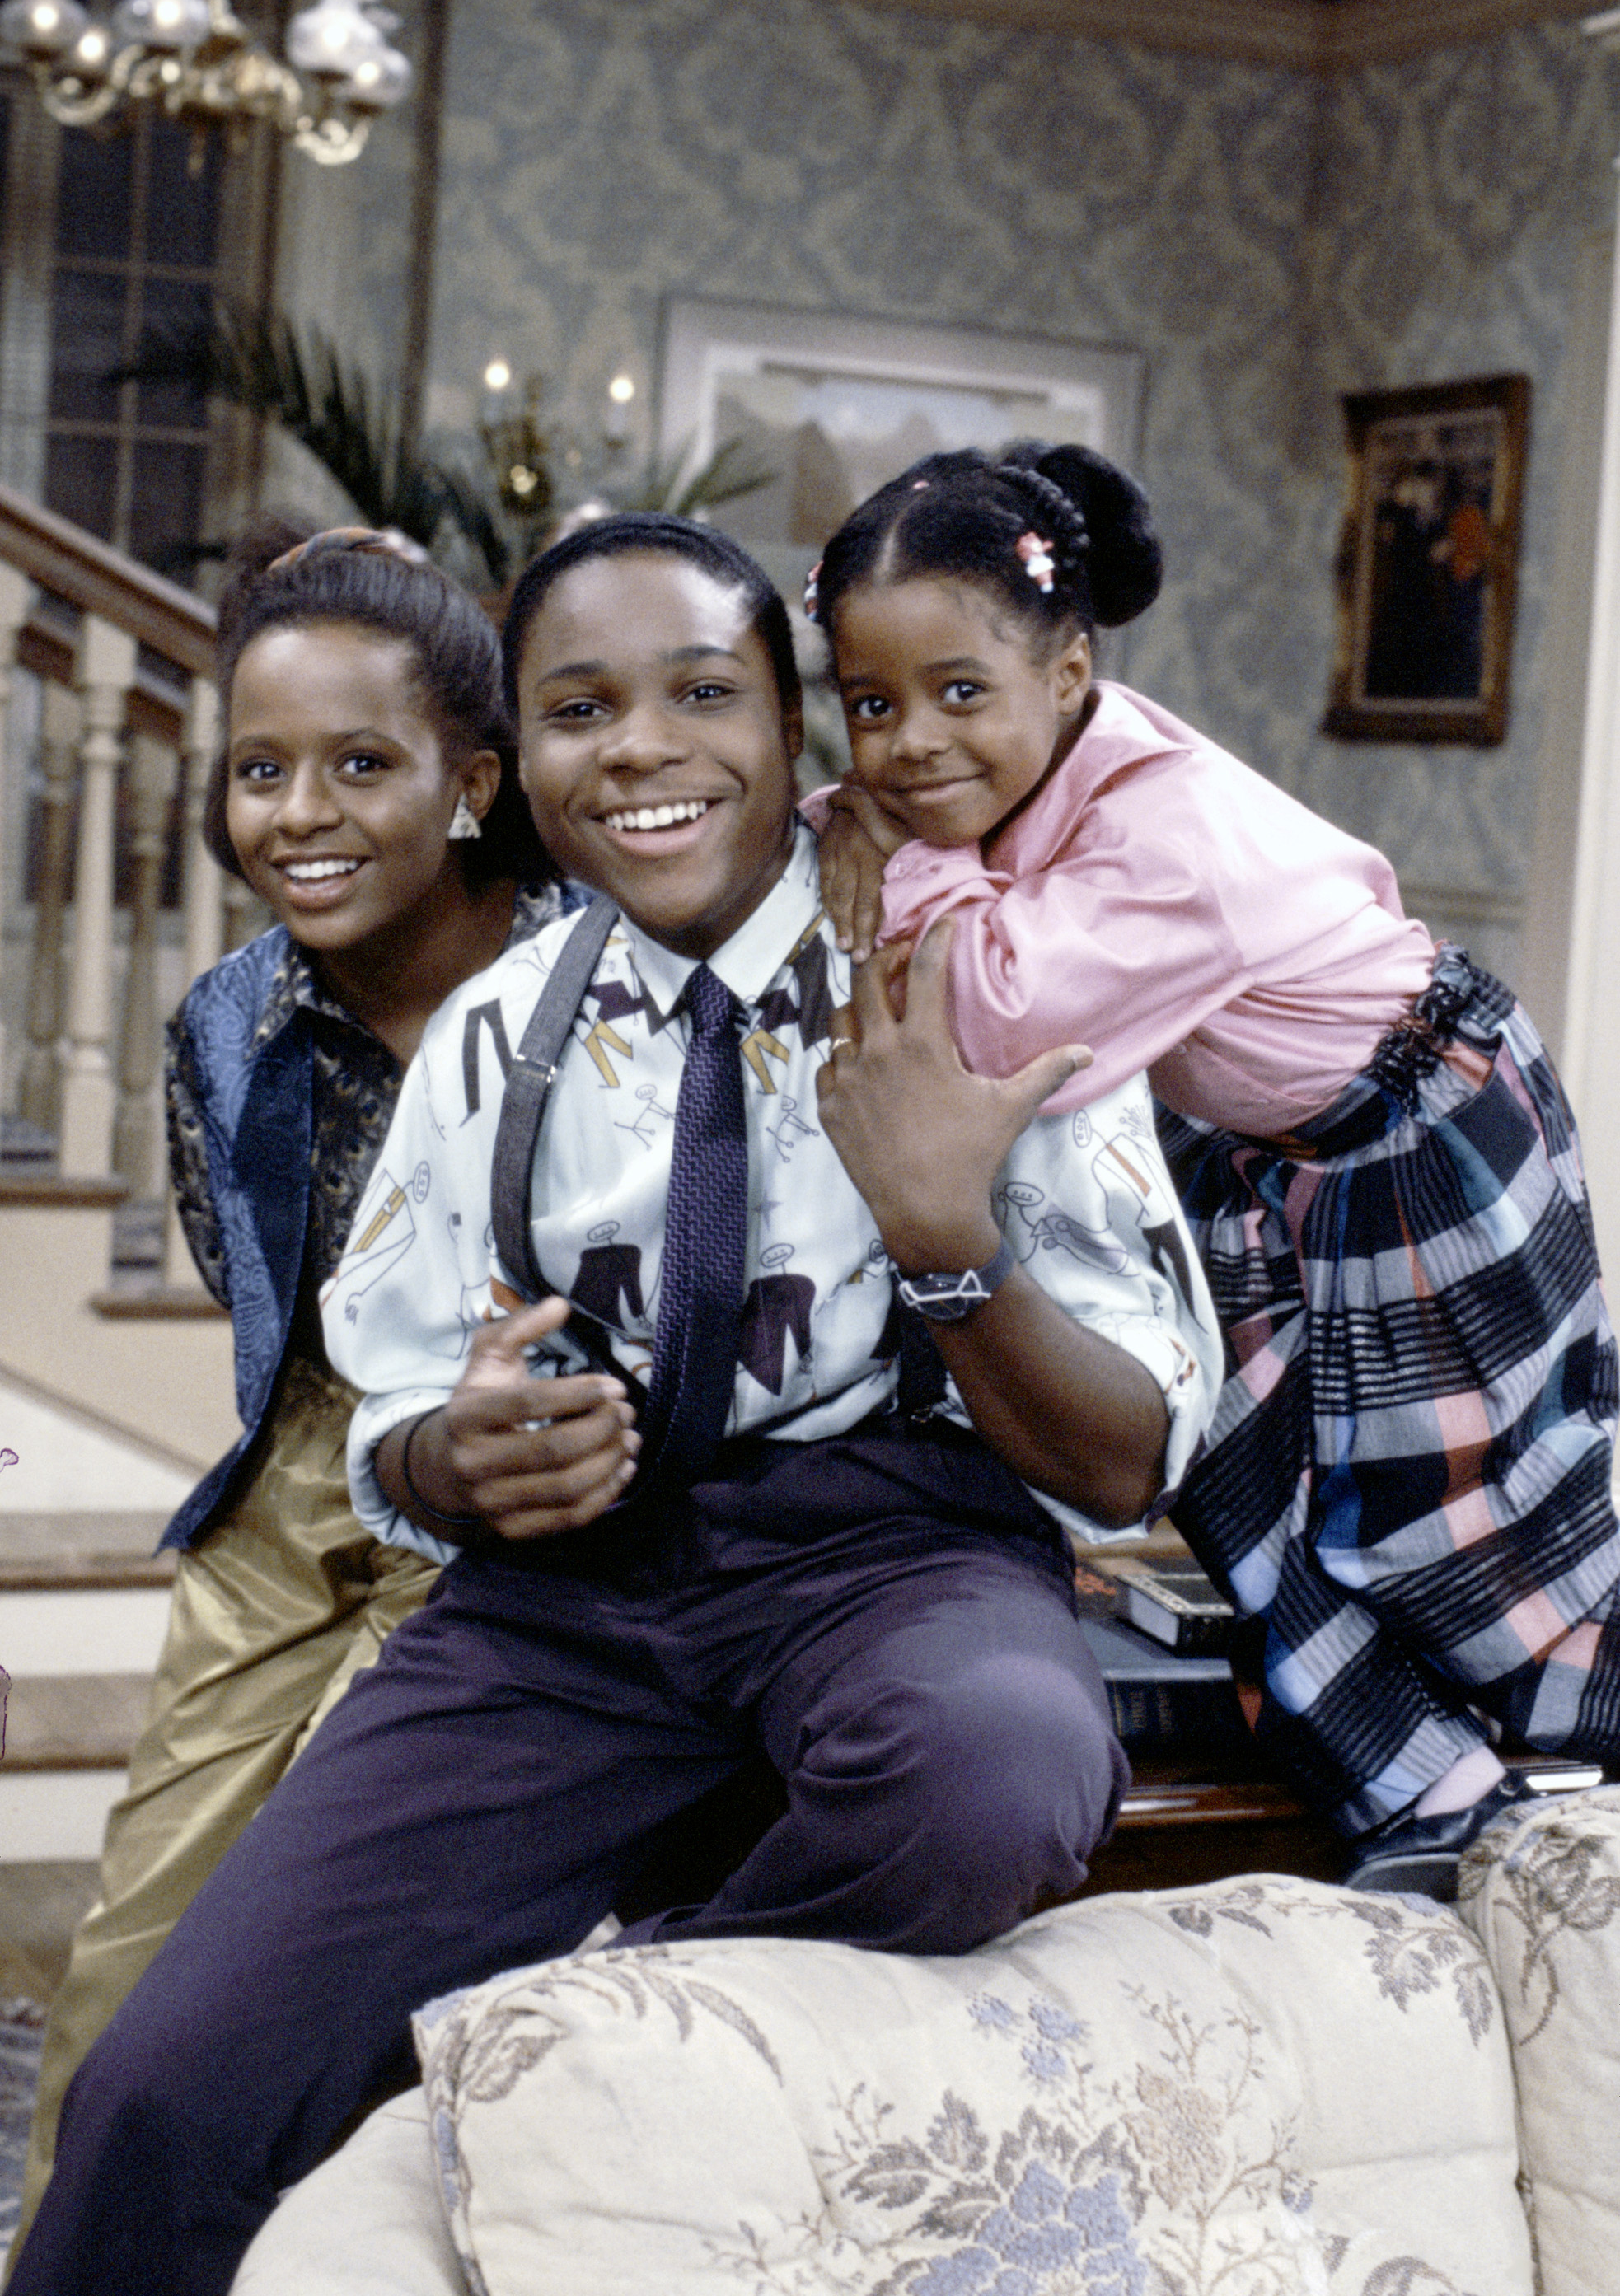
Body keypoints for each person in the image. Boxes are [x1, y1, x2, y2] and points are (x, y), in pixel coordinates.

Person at [11, 512, 1220, 2296]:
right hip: (559, 1608)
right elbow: (390, 1417)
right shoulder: (497, 1039)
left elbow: (1125, 1453)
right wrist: (456, 1449)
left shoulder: (978, 983)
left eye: (700, 694)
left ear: (793, 736)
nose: (641, 746)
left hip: (884, 1561)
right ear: (525, 774)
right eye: (580, 708)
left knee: (993, 1774)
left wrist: (945, 1239)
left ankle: (573, 2061)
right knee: (162, 2100)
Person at [805, 442, 1618, 1889]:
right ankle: (1431, 1798)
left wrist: (882, 845)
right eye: (870, 707)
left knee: (1453, 1523)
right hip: (1277, 1153)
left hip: (1427, 1126)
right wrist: (855, 824)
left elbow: (978, 1015)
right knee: (1242, 1467)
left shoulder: (1166, 832)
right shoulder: (1031, 782)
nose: (912, 743)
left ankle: (1578, 1788)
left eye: (959, 693)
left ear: (1069, 672)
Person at [7, 525, 569, 2275]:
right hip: (309, 1462)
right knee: (135, 1941)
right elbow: (261, 1295)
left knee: (346, 1938)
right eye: (260, 770)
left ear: (469, 785)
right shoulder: (224, 1027)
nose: (298, 813)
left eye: (359, 765)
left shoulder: (594, 978)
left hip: (527, 1489)